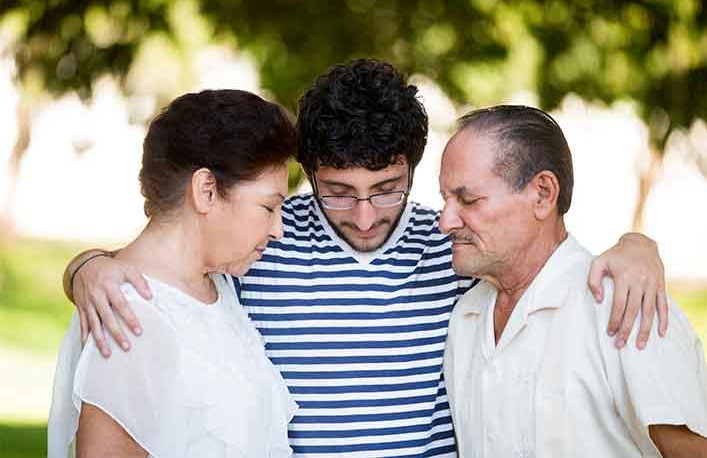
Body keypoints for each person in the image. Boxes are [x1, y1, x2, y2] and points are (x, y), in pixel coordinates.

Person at [63, 59, 668, 457]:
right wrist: (87, 267)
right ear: (309, 174)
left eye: (386, 189)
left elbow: (545, 252)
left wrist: (638, 247)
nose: (364, 215)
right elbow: (170, 277)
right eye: (338, 192)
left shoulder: (458, 248)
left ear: (412, 168)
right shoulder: (260, 243)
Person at [441, 105, 707, 457]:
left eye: (467, 199)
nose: (445, 221)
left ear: (543, 194)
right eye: (445, 199)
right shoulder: (467, 317)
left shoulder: (625, 305)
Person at [48, 90, 298, 457]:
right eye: (269, 207)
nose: (279, 229)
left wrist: (83, 265)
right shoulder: (130, 319)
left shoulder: (217, 288)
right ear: (207, 190)